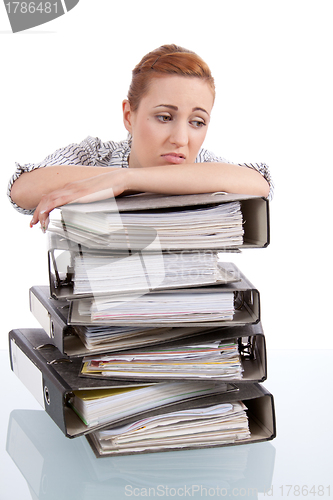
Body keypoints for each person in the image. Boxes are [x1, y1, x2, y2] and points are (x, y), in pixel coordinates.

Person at [8, 44, 273, 231]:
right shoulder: (94, 155)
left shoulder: (205, 166)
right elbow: (22, 190)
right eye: (164, 117)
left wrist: (123, 179)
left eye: (197, 122)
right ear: (129, 115)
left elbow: (260, 185)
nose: (181, 139)